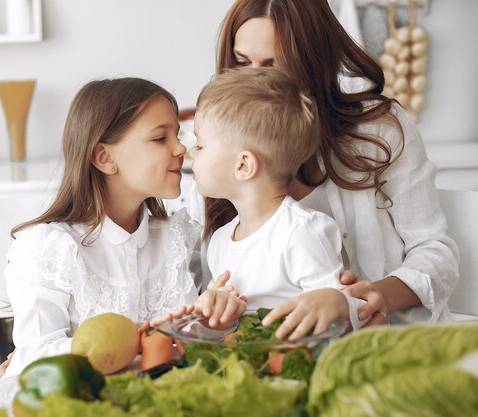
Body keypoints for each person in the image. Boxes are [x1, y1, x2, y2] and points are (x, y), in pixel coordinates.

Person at [193, 0, 459, 326]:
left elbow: (435, 251)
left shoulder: (378, 128)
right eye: (241, 62)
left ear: (313, 62)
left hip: (381, 338)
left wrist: (377, 297)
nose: (254, 80)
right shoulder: (218, 150)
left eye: (272, 65)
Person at [2, 77, 246, 376]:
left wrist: (214, 321)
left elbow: (191, 346)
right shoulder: (48, 250)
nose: (181, 148)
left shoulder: (178, 240)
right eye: (160, 138)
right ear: (105, 158)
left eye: (177, 135)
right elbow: (31, 361)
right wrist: (135, 340)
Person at [191, 67, 367, 339]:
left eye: (200, 146)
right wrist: (219, 310)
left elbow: (337, 316)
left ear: (243, 165)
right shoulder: (220, 241)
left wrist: (337, 302)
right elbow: (217, 331)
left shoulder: (302, 233)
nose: (191, 152)